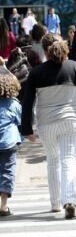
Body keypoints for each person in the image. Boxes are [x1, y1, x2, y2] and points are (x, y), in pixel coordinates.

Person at [21, 39, 76, 219]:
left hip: (46, 123)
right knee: (68, 159)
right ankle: (69, 200)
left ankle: (55, 203)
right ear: (66, 52)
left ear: (47, 53)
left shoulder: (36, 72)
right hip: (71, 121)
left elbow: (27, 102)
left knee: (53, 160)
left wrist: (26, 128)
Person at [0, 72, 21, 217]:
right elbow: (20, 122)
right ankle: (3, 206)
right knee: (7, 172)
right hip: (9, 141)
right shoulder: (14, 104)